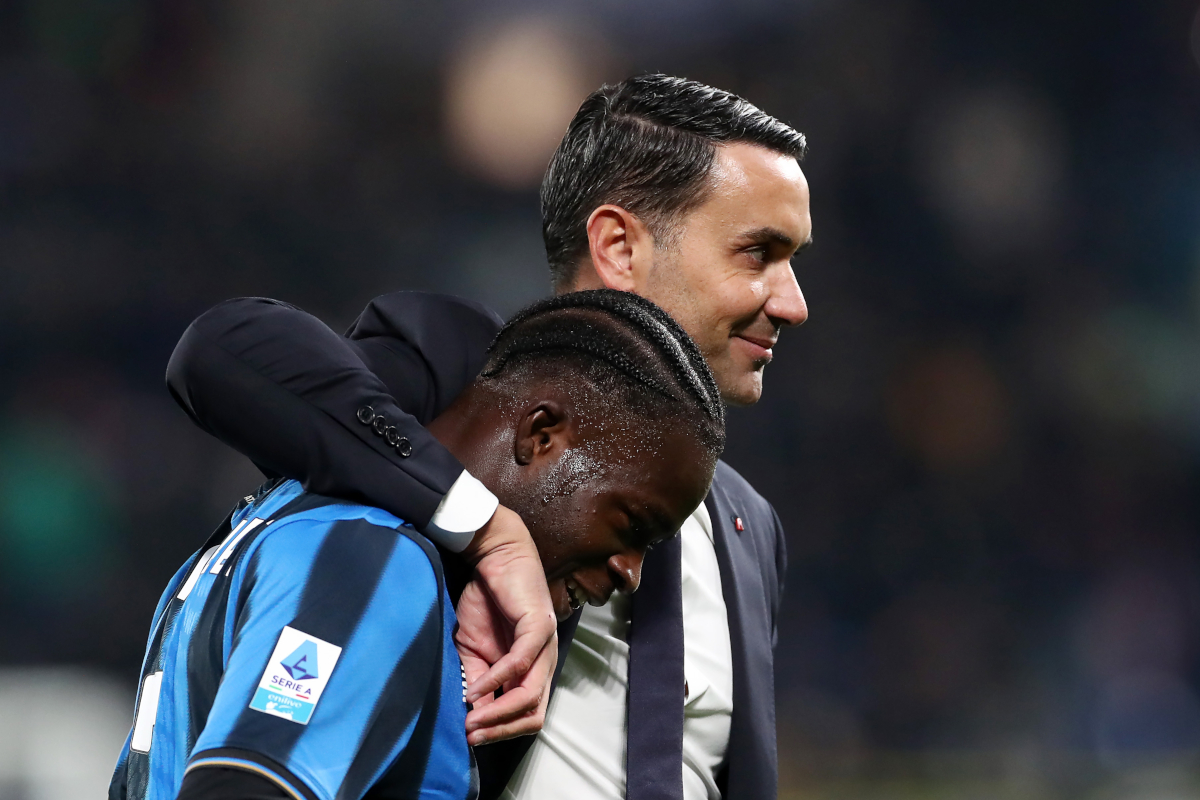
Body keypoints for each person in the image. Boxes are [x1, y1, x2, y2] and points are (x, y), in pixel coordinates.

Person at [168, 73, 811, 800]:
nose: (794, 303)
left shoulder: (749, 528)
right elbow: (225, 351)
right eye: (759, 253)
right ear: (620, 246)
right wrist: (484, 527)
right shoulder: (473, 389)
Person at [110, 291, 724, 800]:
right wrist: (492, 532)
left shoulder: (312, 525)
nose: (632, 573)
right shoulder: (370, 558)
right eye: (632, 524)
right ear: (540, 436)